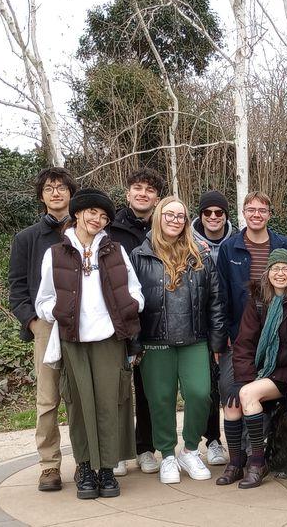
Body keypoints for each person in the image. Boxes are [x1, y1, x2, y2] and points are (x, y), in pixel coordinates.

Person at [34, 189, 144, 499]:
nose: (98, 219)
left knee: (111, 403)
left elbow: (136, 292)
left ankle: (107, 469)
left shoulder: (116, 251)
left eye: (104, 216)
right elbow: (43, 300)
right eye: (92, 213)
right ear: (79, 213)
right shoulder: (55, 254)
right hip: (73, 340)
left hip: (109, 339)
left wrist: (127, 308)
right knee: (79, 405)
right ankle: (84, 467)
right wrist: (59, 312)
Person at [130, 196, 229, 484]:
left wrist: (217, 341)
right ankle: (167, 456)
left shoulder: (201, 254)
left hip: (194, 338)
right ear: (159, 217)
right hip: (155, 340)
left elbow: (215, 301)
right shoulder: (140, 255)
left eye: (181, 216)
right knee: (160, 400)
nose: (175, 220)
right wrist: (134, 343)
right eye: (169, 215)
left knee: (200, 394)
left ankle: (189, 450)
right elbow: (131, 304)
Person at [216, 191, 287, 483]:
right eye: (275, 269)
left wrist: (251, 384)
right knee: (233, 397)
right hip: (259, 365)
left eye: (286, 269)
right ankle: (236, 462)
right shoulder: (256, 301)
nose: (280, 274)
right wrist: (244, 378)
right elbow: (244, 342)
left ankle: (257, 462)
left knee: (246, 394)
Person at [8, 167, 78, 492]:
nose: (56, 193)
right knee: (48, 400)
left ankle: (86, 461)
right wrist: (33, 324)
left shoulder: (84, 231)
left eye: (62, 188)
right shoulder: (27, 238)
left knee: (80, 396)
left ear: (70, 194)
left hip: (82, 325)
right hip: (46, 326)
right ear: (42, 195)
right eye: (50, 188)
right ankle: (49, 466)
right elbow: (17, 286)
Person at [108, 167, 164, 476]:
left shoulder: (163, 227)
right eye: (137, 188)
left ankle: (145, 447)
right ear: (128, 193)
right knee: (116, 388)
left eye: (149, 190)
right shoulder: (111, 228)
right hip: (117, 318)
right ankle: (116, 451)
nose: (143, 193)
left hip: (152, 318)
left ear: (156, 198)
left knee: (146, 389)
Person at [191, 190, 235, 468]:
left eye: (219, 213)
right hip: (199, 324)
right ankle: (212, 440)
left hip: (232, 323)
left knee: (229, 384)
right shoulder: (188, 242)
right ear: (201, 216)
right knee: (205, 388)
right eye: (208, 213)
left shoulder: (237, 241)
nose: (213, 217)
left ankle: (241, 438)